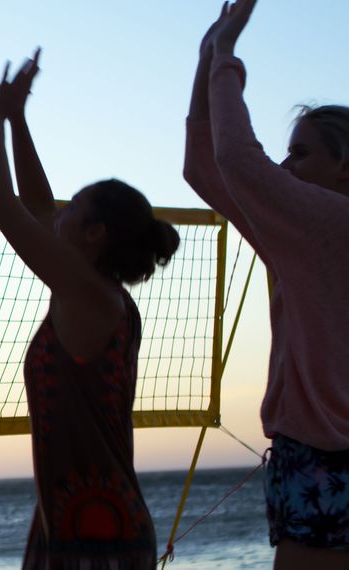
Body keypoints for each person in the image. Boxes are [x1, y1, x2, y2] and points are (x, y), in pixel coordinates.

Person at [0, 49, 178, 568]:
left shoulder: (88, 295)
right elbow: (38, 205)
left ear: (94, 235)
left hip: (99, 530)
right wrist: (20, 120)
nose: (58, 214)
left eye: (75, 208)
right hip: (69, 521)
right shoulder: (92, 289)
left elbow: (1, 200)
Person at [183, 1, 349, 567]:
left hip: (332, 457)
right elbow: (205, 168)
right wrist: (206, 58)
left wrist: (226, 53)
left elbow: (237, 158)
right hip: (310, 455)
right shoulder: (301, 234)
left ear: (344, 167)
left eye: (300, 154)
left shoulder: (330, 222)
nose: (286, 165)